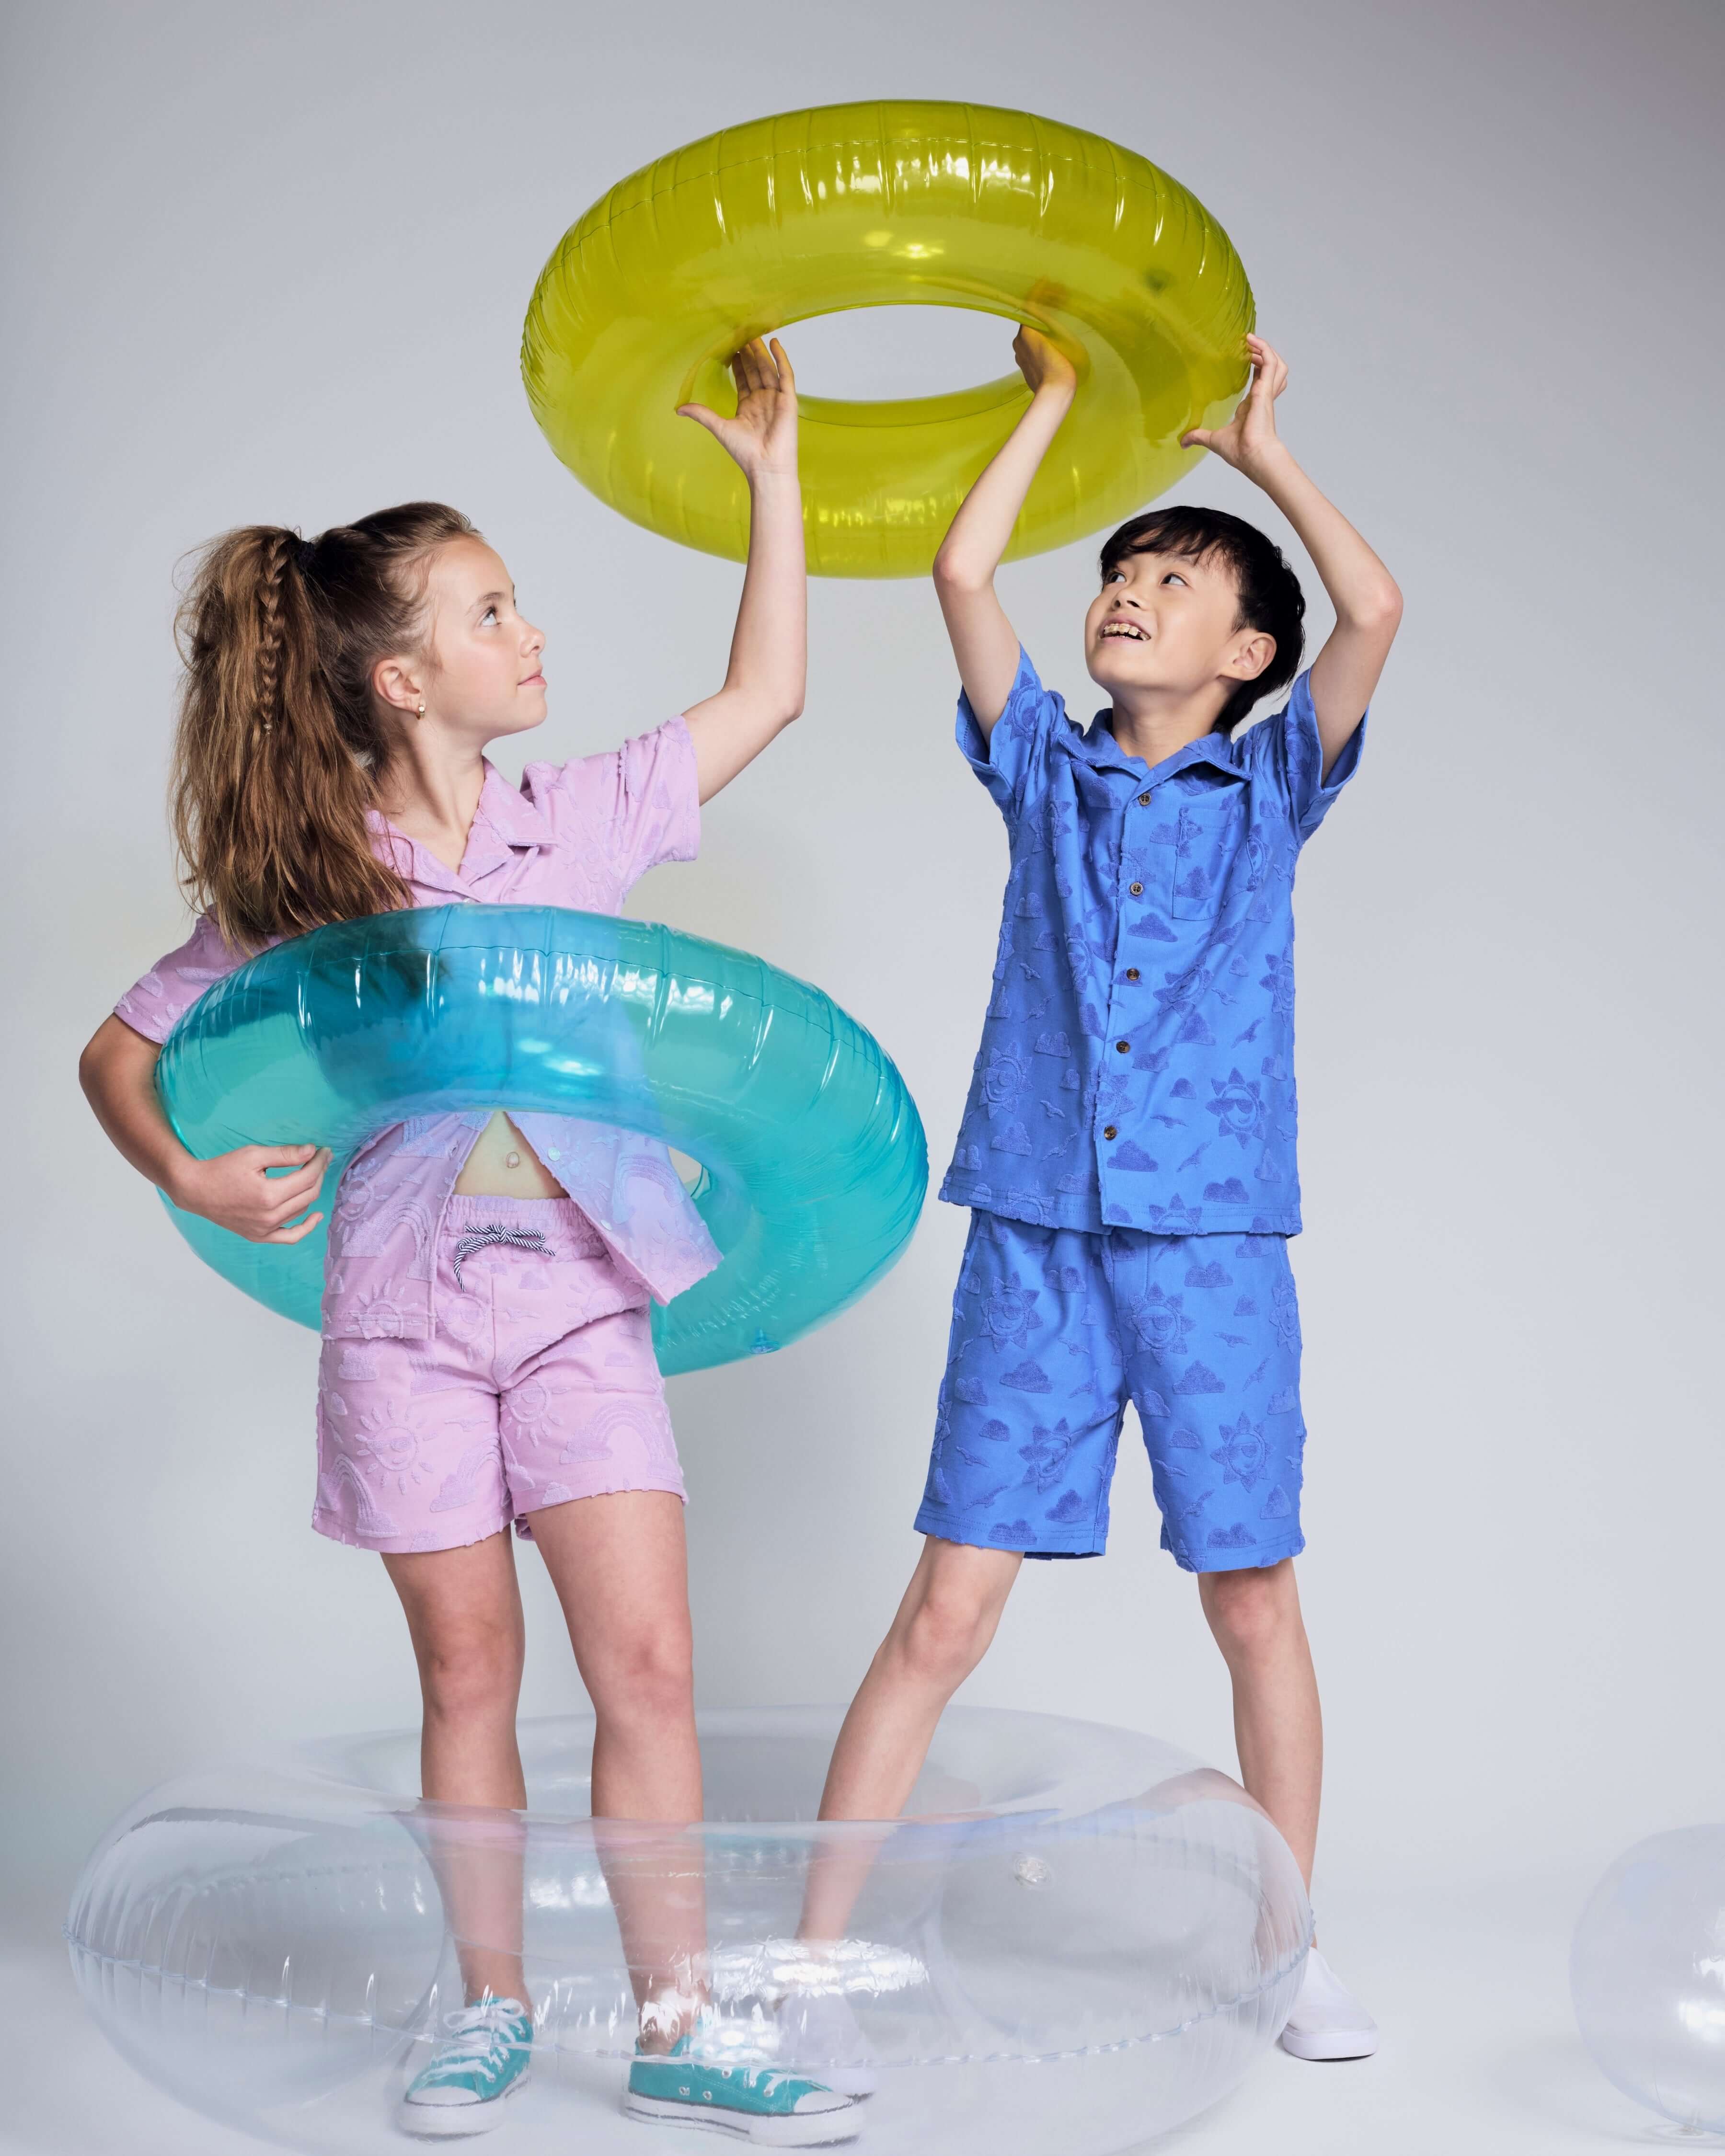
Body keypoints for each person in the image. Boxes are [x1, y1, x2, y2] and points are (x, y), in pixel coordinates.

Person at [80, 340, 858, 2145]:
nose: (534, 634)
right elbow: (122, 1053)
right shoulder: (309, 884)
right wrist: (185, 1174)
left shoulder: (573, 819)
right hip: (402, 1316)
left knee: (648, 1665)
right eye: (493, 609)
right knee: (469, 1674)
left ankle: (679, 2024)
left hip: (584, 1298)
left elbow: (771, 689)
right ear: (402, 675)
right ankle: (489, 2008)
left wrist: (774, 477)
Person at [802, 331, 1401, 2067]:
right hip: (1037, 1245)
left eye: (1175, 580)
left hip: (1213, 1248)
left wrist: (1261, 460)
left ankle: (1292, 1946)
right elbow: (960, 566)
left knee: (1253, 1595)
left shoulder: (1276, 777)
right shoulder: (1043, 768)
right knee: (945, 1608)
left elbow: (1373, 613)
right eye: (1124, 574)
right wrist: (1051, 407)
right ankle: (818, 1964)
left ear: (1247, 653)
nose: (1131, 595)